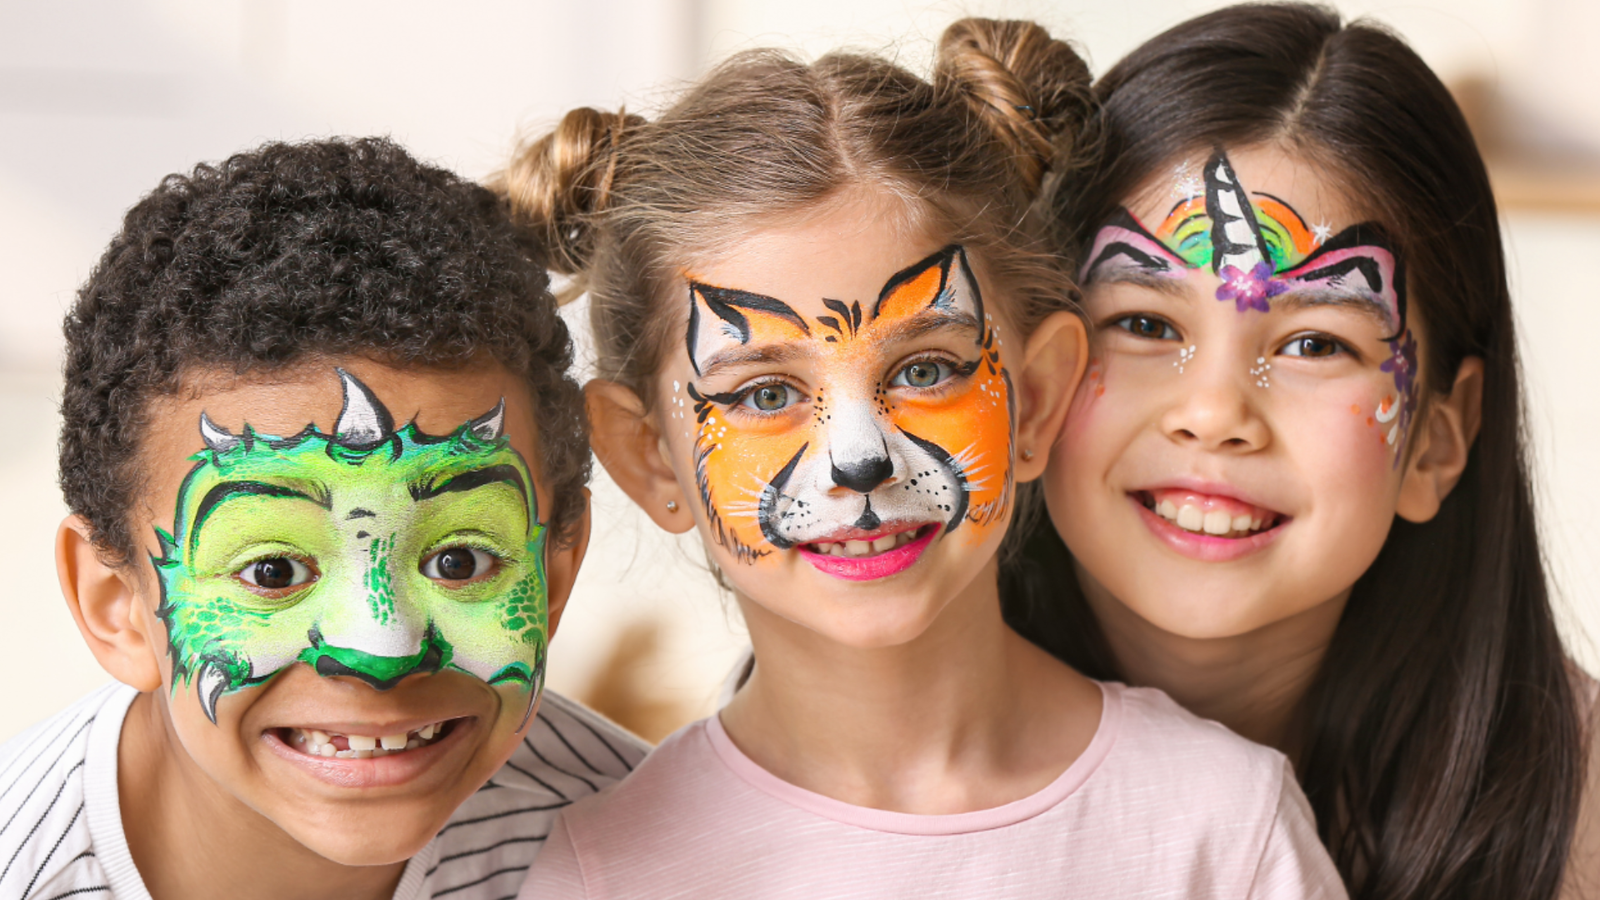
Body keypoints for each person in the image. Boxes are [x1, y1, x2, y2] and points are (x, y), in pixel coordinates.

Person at [501, 19, 1347, 898]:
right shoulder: (604, 875)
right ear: (651, 460)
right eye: (764, 393)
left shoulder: (1222, 824)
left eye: (926, 369)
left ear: (1040, 399)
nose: (858, 458)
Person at [1006, 4, 1596, 898]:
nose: (1214, 414)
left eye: (1317, 344)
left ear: (1439, 437)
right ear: (1033, 378)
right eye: (1143, 323)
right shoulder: (860, 755)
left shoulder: (1580, 808)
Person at [0, 137, 647, 900]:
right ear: (116, 607)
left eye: (459, 561)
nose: (382, 649)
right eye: (272, 571)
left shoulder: (668, 854)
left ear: (555, 574)